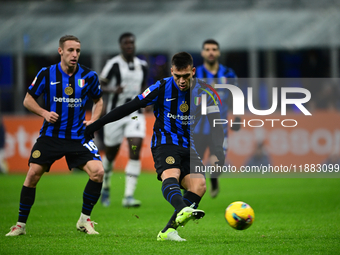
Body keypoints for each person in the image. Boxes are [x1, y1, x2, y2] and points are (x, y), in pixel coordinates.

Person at [85, 52, 225, 241]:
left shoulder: (206, 92)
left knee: (199, 186)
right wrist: (96, 124)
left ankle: (168, 231)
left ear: (193, 71)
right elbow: (130, 106)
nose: (182, 81)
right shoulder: (161, 87)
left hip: (187, 145)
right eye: (177, 76)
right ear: (171, 72)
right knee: (172, 174)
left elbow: (216, 123)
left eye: (186, 76)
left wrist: (218, 151)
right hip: (164, 143)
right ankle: (182, 208)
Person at [6, 35, 104, 236]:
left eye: (77, 50)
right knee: (32, 175)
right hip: (51, 136)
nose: (74, 54)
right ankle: (20, 225)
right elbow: (27, 100)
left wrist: (93, 120)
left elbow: (99, 100)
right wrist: (44, 112)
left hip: (78, 137)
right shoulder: (46, 73)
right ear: (61, 51)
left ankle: (84, 220)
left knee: (98, 172)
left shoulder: (89, 76)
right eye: (70, 50)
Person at [99, 32, 148, 208]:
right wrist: (113, 90)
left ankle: (128, 196)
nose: (130, 46)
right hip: (115, 115)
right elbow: (100, 84)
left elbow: (144, 86)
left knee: (135, 148)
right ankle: (105, 186)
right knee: (110, 154)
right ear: (121, 46)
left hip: (135, 114)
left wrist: (146, 101)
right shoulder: (113, 64)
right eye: (126, 43)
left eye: (132, 43)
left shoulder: (142, 65)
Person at [194, 39, 240, 198]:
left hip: (219, 127)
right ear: (202, 53)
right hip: (196, 127)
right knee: (193, 166)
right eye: (207, 49)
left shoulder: (229, 74)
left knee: (217, 163)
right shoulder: (194, 74)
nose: (211, 52)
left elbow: (236, 97)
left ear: (219, 52)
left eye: (214, 49)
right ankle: (187, 195)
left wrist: (238, 116)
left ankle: (214, 179)